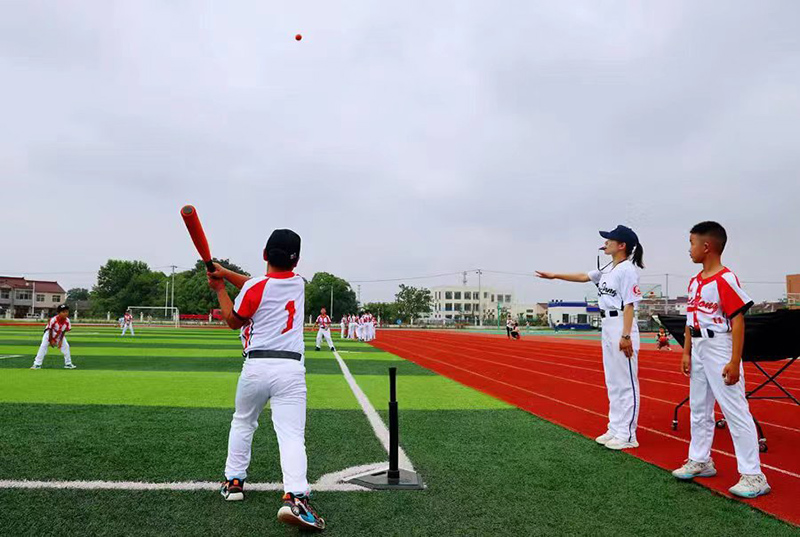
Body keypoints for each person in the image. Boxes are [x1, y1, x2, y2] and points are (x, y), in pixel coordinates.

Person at [206, 229, 325, 530]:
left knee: (243, 421)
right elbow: (260, 285)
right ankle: (296, 498)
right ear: (296, 261)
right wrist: (225, 273)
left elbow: (234, 320)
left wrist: (219, 288)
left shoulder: (256, 287)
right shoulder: (298, 283)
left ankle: (234, 482)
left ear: (264, 254)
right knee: (291, 435)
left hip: (256, 366)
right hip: (290, 370)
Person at [671, 221, 769, 498]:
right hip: (699, 346)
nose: (688, 249)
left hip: (720, 347)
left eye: (691, 243)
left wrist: (734, 360)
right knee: (699, 408)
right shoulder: (694, 281)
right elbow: (691, 321)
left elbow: (738, 321)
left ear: (707, 246)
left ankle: (753, 475)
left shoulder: (725, 279)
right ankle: (701, 460)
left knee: (734, 409)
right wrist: (687, 352)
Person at [537, 224, 644, 450]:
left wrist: (625, 335)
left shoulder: (627, 270)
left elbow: (630, 305)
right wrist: (555, 275)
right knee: (613, 381)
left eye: (609, 240)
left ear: (621, 245)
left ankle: (628, 434)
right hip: (606, 324)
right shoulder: (608, 268)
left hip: (621, 325)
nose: (605, 243)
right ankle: (615, 427)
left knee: (626, 382)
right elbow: (583, 276)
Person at [30, 304, 76, 369]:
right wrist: (51, 340)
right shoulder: (53, 319)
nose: (65, 313)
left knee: (66, 346)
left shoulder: (67, 321)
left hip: (59, 334)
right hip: (49, 334)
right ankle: (37, 364)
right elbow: (50, 329)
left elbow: (63, 331)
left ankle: (68, 363)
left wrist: (60, 341)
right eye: (63, 312)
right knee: (43, 346)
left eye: (66, 312)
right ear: (59, 313)